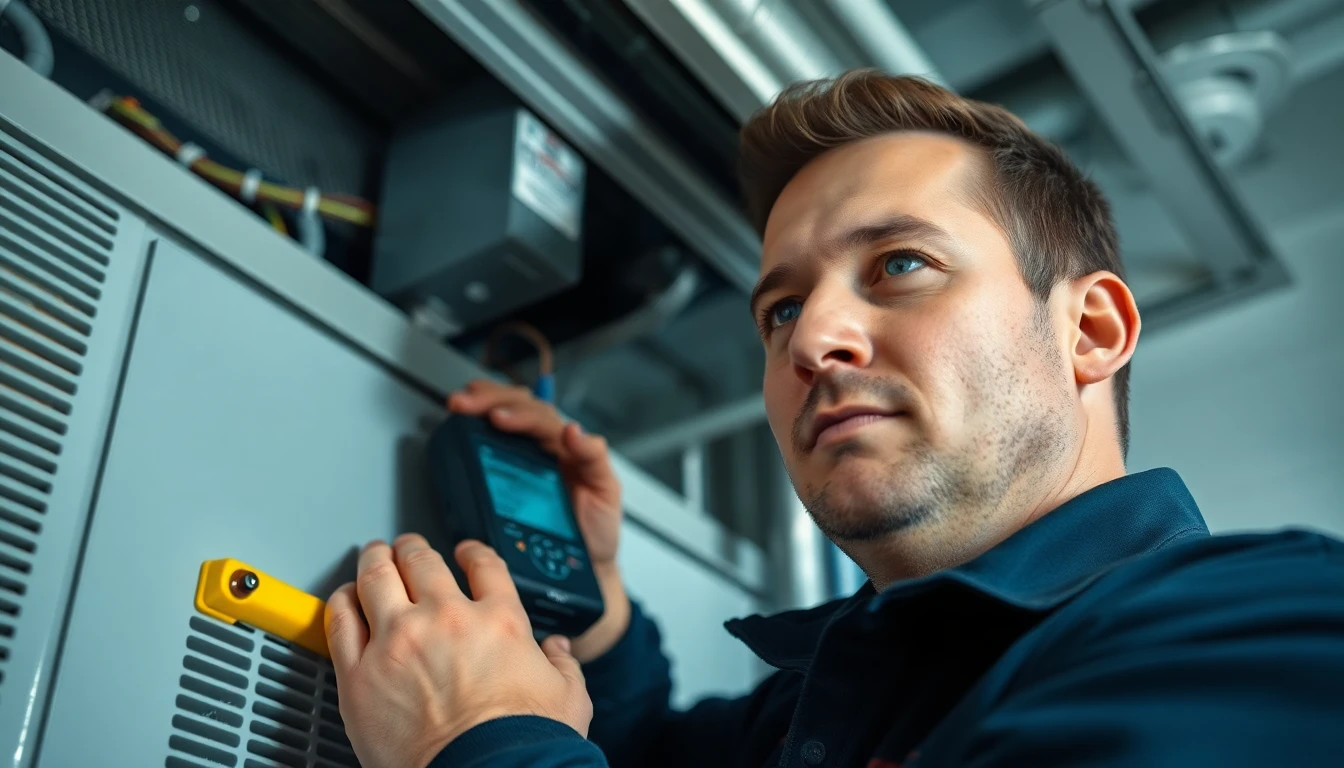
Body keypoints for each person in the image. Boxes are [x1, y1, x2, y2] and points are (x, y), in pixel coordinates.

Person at [322, 71, 1344, 768]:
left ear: (1091, 330)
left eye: (900, 265)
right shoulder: (862, 687)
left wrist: (485, 740)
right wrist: (594, 612)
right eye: (781, 308)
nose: (812, 341)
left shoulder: (1276, 625)